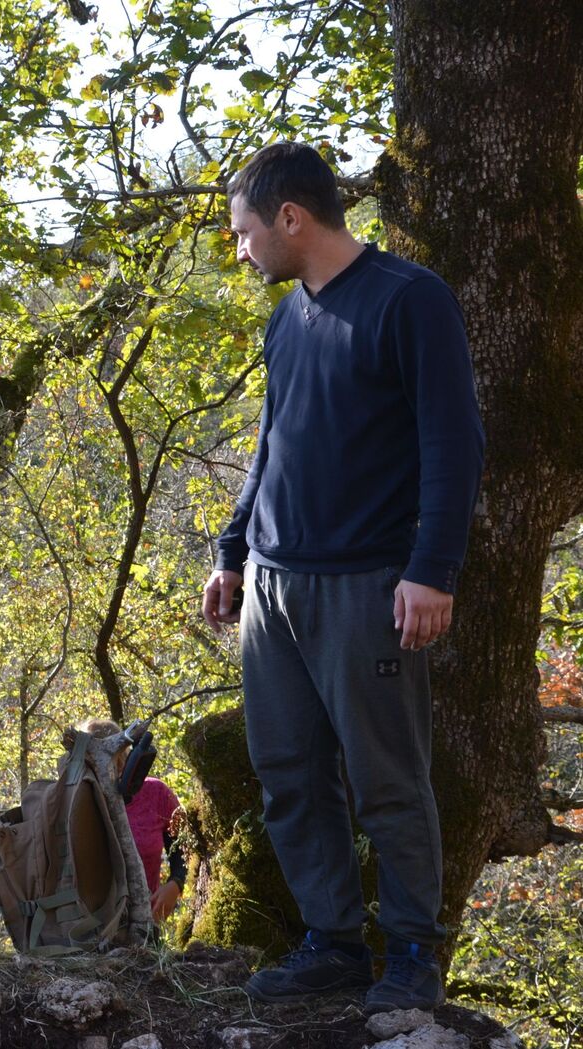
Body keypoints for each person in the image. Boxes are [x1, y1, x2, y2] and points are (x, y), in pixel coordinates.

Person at [201, 142, 484, 1012]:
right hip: (274, 589)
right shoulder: (287, 318)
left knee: (387, 775)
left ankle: (411, 951)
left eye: (246, 231)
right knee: (287, 770)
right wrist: (230, 549)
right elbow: (269, 445)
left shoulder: (409, 300)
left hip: (368, 583)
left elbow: (453, 441)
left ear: (292, 218)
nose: (241, 248)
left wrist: (431, 570)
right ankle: (330, 941)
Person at [124, 777, 185, 922]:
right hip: (89, 927)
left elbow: (184, 845)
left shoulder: (156, 792)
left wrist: (176, 882)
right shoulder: (79, 795)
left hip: (146, 925)